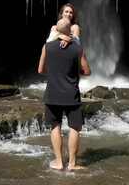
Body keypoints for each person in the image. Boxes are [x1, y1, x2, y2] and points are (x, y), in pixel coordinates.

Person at [38, 17, 91, 171]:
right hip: (72, 95)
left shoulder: (47, 47)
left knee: (55, 126)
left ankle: (59, 162)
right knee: (75, 127)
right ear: (70, 31)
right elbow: (87, 71)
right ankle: (72, 164)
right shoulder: (77, 49)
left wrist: (54, 71)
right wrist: (75, 70)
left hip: (52, 94)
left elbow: (41, 70)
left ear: (57, 30)